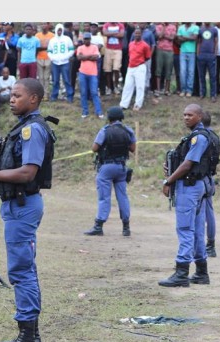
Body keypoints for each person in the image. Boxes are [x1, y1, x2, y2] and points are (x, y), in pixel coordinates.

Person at [0, 78, 56, 342]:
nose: (11, 99)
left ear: (33, 99)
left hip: (23, 205)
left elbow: (27, 172)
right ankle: (29, 335)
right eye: (10, 95)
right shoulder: (23, 127)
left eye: (17, 95)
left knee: (21, 271)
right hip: (16, 205)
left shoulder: (32, 130)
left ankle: (27, 338)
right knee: (23, 270)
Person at [159, 104, 213, 287]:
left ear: (199, 116)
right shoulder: (197, 136)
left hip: (190, 187)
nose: (186, 118)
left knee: (185, 229)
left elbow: (188, 164)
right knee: (196, 230)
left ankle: (181, 273)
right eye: (184, 115)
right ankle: (201, 272)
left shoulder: (199, 137)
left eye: (190, 115)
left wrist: (168, 181)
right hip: (196, 186)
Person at [84, 106, 136, 237]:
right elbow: (132, 148)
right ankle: (126, 227)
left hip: (106, 167)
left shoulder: (105, 130)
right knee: (122, 197)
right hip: (121, 167)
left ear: (109, 118)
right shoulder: (128, 130)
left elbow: (94, 148)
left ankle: (99, 225)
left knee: (104, 197)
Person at [119, 28, 152, 112]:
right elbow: (130, 55)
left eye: (139, 33)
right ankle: (124, 104)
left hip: (140, 67)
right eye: (136, 33)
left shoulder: (145, 45)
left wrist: (139, 62)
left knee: (140, 86)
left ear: (141, 34)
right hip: (130, 67)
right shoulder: (131, 44)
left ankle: (138, 104)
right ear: (134, 34)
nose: (137, 35)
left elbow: (147, 57)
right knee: (127, 86)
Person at [200, 111, 217, 258]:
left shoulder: (201, 137)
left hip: (200, 179)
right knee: (209, 212)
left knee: (200, 212)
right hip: (210, 177)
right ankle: (210, 244)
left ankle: (204, 245)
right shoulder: (215, 136)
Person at [76, 32, 104, 119]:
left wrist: (85, 57)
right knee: (83, 93)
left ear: (90, 39)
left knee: (94, 93)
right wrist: (90, 56)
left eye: (88, 39)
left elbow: (96, 57)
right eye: (85, 39)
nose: (86, 40)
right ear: (83, 39)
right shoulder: (80, 47)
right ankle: (85, 111)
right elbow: (79, 58)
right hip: (82, 73)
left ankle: (99, 112)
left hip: (93, 73)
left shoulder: (94, 47)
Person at [47, 23, 75, 103]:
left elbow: (71, 50)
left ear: (62, 30)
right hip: (55, 63)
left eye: (60, 30)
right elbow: (49, 51)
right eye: (58, 30)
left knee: (66, 80)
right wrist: (52, 58)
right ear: (56, 30)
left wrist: (66, 57)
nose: (59, 32)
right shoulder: (52, 40)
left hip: (65, 62)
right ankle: (54, 96)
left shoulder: (67, 39)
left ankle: (69, 96)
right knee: (55, 80)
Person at [196, 22, 218, 101]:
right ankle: (202, 93)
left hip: (211, 56)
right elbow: (198, 42)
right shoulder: (200, 30)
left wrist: (215, 53)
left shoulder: (214, 30)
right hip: (201, 55)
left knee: (212, 76)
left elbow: (216, 41)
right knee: (201, 76)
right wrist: (198, 54)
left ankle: (213, 95)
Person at [177, 22, 199, 97]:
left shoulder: (195, 27)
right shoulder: (180, 27)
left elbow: (195, 38)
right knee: (183, 71)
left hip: (192, 52)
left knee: (191, 72)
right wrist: (189, 37)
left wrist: (184, 37)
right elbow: (178, 39)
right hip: (182, 52)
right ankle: (183, 90)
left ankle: (189, 90)